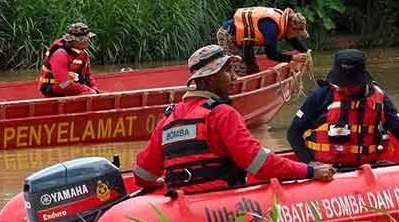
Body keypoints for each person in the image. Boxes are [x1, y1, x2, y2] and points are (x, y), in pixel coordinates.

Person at [133, 44, 336, 194]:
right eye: (227, 71)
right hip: (220, 206)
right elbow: (260, 164)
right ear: (208, 79)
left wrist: (157, 183)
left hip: (181, 205)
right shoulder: (221, 114)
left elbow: (142, 175)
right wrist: (310, 171)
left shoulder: (168, 120)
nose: (235, 77)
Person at [287, 49, 399, 167]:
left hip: (369, 166)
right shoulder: (320, 95)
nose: (346, 89)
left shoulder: (379, 97)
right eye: (342, 85)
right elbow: (293, 133)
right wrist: (310, 164)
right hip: (329, 170)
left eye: (351, 85)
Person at [216, 6, 311, 76]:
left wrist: (305, 51)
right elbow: (271, 54)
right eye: (297, 34)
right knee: (239, 69)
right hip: (228, 34)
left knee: (252, 68)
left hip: (245, 40)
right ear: (292, 28)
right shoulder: (272, 28)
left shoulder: (284, 22)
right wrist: (293, 57)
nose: (296, 37)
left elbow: (292, 39)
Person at [38, 22, 99, 96]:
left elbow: (88, 76)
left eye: (88, 38)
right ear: (71, 40)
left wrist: (94, 88)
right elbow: (63, 84)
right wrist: (87, 90)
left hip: (73, 87)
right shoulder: (60, 55)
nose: (88, 41)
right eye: (83, 39)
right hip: (54, 90)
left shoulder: (83, 53)